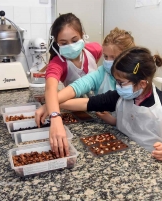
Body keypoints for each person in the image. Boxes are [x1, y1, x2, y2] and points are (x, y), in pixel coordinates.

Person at [58, 46, 162, 161]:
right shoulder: (119, 96)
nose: (117, 86)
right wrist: (56, 104)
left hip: (150, 160)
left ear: (142, 83)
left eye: (121, 83)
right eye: (116, 81)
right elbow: (87, 103)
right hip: (122, 154)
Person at [36, 27, 135, 127]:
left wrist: (51, 105)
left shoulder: (137, 80)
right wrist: (51, 105)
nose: (108, 61)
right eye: (105, 57)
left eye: (114, 57)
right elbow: (77, 87)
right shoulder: (102, 73)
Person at [43, 13, 102, 158]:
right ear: (56, 43)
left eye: (75, 40)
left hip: (103, 110)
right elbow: (50, 88)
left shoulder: (94, 50)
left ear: (83, 36)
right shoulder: (58, 63)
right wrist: (55, 117)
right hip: (80, 111)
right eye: (63, 43)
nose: (71, 46)